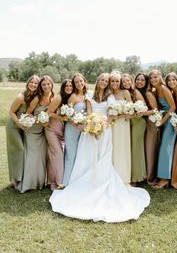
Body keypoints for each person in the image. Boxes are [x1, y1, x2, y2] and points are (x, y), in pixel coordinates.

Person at [49, 73, 150, 222]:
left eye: (106, 81)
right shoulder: (89, 94)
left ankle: (102, 180)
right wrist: (91, 125)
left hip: (105, 130)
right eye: (101, 80)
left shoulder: (109, 96)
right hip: (90, 129)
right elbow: (89, 112)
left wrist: (103, 125)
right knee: (87, 156)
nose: (103, 82)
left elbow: (110, 114)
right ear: (97, 81)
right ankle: (81, 181)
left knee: (103, 156)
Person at [17, 75, 54, 193]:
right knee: (33, 157)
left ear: (52, 85)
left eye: (48, 84)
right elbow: (28, 113)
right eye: (43, 84)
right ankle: (28, 184)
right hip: (33, 130)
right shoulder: (37, 98)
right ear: (41, 87)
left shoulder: (53, 97)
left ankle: (39, 183)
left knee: (41, 157)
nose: (46, 86)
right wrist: (40, 120)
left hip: (43, 132)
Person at [6, 75, 40, 189]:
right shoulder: (21, 97)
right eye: (32, 82)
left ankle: (21, 177)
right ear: (28, 83)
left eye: (36, 83)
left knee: (23, 151)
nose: (33, 85)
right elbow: (11, 112)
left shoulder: (35, 96)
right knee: (17, 150)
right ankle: (14, 180)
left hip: (24, 127)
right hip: (13, 126)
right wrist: (20, 125)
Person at [149, 70, 176, 189]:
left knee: (166, 148)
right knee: (162, 147)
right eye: (151, 78)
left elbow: (173, 107)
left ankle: (164, 180)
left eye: (155, 77)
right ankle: (161, 176)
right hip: (164, 119)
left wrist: (162, 121)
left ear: (160, 77)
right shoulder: (156, 90)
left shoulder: (164, 89)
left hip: (170, 121)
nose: (153, 79)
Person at [45, 79, 74, 191]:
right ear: (63, 87)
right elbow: (48, 112)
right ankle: (57, 182)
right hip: (52, 130)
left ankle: (52, 181)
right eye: (66, 86)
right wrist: (61, 117)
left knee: (54, 155)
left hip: (62, 132)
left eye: (71, 86)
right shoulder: (59, 98)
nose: (69, 88)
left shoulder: (70, 99)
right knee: (58, 154)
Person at [62, 73, 89, 186]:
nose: (79, 84)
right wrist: (76, 124)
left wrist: (85, 124)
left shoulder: (88, 95)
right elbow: (67, 115)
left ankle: (76, 179)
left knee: (79, 155)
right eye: (76, 82)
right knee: (71, 155)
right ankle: (66, 182)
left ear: (84, 81)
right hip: (72, 129)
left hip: (83, 130)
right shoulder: (73, 96)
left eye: (81, 81)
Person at [134, 73, 160, 185]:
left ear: (146, 82)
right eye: (138, 79)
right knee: (144, 149)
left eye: (142, 80)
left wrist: (142, 112)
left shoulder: (148, 93)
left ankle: (150, 178)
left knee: (150, 149)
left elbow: (155, 109)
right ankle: (144, 175)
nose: (139, 82)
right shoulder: (136, 92)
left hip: (151, 123)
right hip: (143, 123)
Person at [121, 73, 147, 186]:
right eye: (124, 81)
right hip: (129, 123)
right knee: (130, 149)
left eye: (128, 81)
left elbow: (144, 107)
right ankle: (130, 175)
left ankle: (137, 178)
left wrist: (137, 112)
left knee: (137, 150)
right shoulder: (122, 93)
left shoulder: (135, 92)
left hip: (138, 123)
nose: (126, 83)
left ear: (131, 81)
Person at [109, 71, 132, 184]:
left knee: (122, 148)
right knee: (112, 148)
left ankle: (123, 176)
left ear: (120, 82)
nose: (114, 83)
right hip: (111, 126)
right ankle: (111, 176)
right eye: (112, 81)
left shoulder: (125, 92)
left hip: (123, 125)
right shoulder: (108, 94)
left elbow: (131, 110)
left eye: (117, 81)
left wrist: (120, 115)